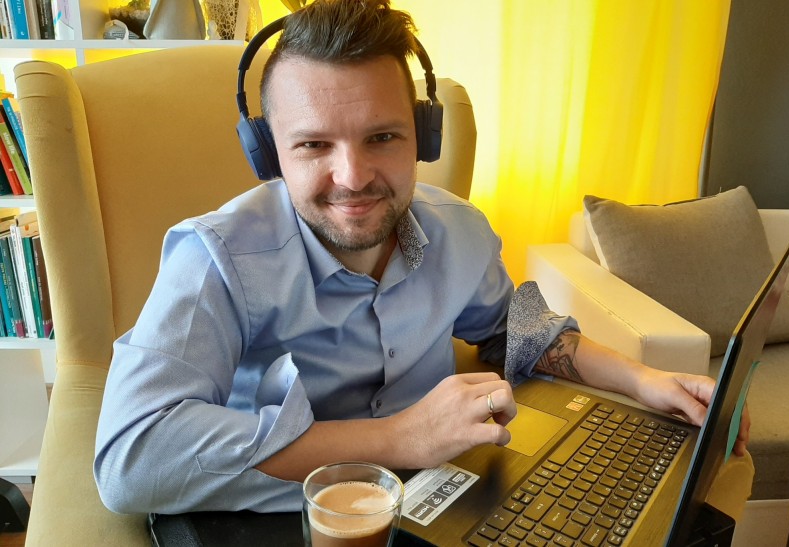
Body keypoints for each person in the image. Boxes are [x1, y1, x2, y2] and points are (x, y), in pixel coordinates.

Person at [93, 0, 750, 516]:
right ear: (270, 154)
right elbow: (132, 459)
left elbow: (520, 334)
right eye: (314, 145)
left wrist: (646, 381)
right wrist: (399, 438)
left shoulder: (461, 231)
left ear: (424, 137)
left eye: (382, 137)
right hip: (291, 520)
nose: (353, 177)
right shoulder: (215, 259)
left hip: (445, 504)